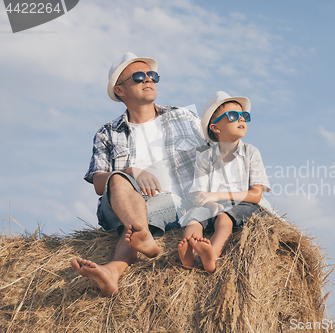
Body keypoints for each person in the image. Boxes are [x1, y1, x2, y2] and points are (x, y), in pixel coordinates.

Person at [71, 52, 206, 296]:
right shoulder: (108, 132)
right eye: (139, 76)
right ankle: (144, 239)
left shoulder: (184, 118)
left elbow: (217, 155)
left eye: (152, 76)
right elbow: (100, 183)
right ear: (120, 90)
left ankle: (114, 269)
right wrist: (131, 171)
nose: (149, 80)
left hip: (173, 205)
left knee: (140, 219)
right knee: (119, 181)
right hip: (118, 207)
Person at [178, 91, 272, 273]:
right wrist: (211, 204)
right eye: (233, 115)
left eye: (244, 116)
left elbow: (255, 194)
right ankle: (189, 252)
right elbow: (199, 194)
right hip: (214, 205)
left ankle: (211, 255)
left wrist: (218, 196)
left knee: (224, 217)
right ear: (215, 128)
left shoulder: (251, 153)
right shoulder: (205, 159)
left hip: (245, 206)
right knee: (194, 217)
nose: (242, 119)